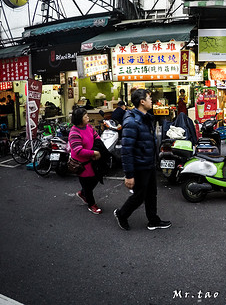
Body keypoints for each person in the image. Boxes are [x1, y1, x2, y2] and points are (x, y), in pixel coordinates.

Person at [114, 89, 171, 231]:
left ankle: (153, 220)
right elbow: (126, 151)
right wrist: (129, 175)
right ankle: (122, 214)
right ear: (142, 102)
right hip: (140, 165)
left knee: (152, 193)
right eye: (149, 98)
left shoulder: (145, 118)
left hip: (149, 162)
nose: (152, 101)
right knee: (139, 195)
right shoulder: (132, 122)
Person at [69, 107, 103, 215]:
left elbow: (96, 136)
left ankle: (82, 193)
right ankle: (91, 204)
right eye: (85, 116)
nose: (88, 117)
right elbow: (78, 150)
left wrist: (97, 148)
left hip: (91, 161)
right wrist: (94, 153)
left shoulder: (88, 127)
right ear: (79, 119)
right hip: (81, 164)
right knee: (88, 186)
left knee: (96, 178)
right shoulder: (74, 132)